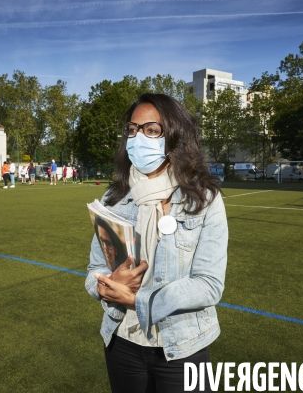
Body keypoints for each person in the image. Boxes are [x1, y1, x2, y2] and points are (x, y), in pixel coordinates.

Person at [85, 93, 227, 392]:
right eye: (133, 130)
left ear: (175, 136)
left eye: (151, 130)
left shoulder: (204, 200)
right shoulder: (114, 199)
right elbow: (95, 268)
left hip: (183, 346)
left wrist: (139, 300)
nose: (138, 138)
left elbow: (209, 284)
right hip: (121, 340)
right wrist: (106, 283)